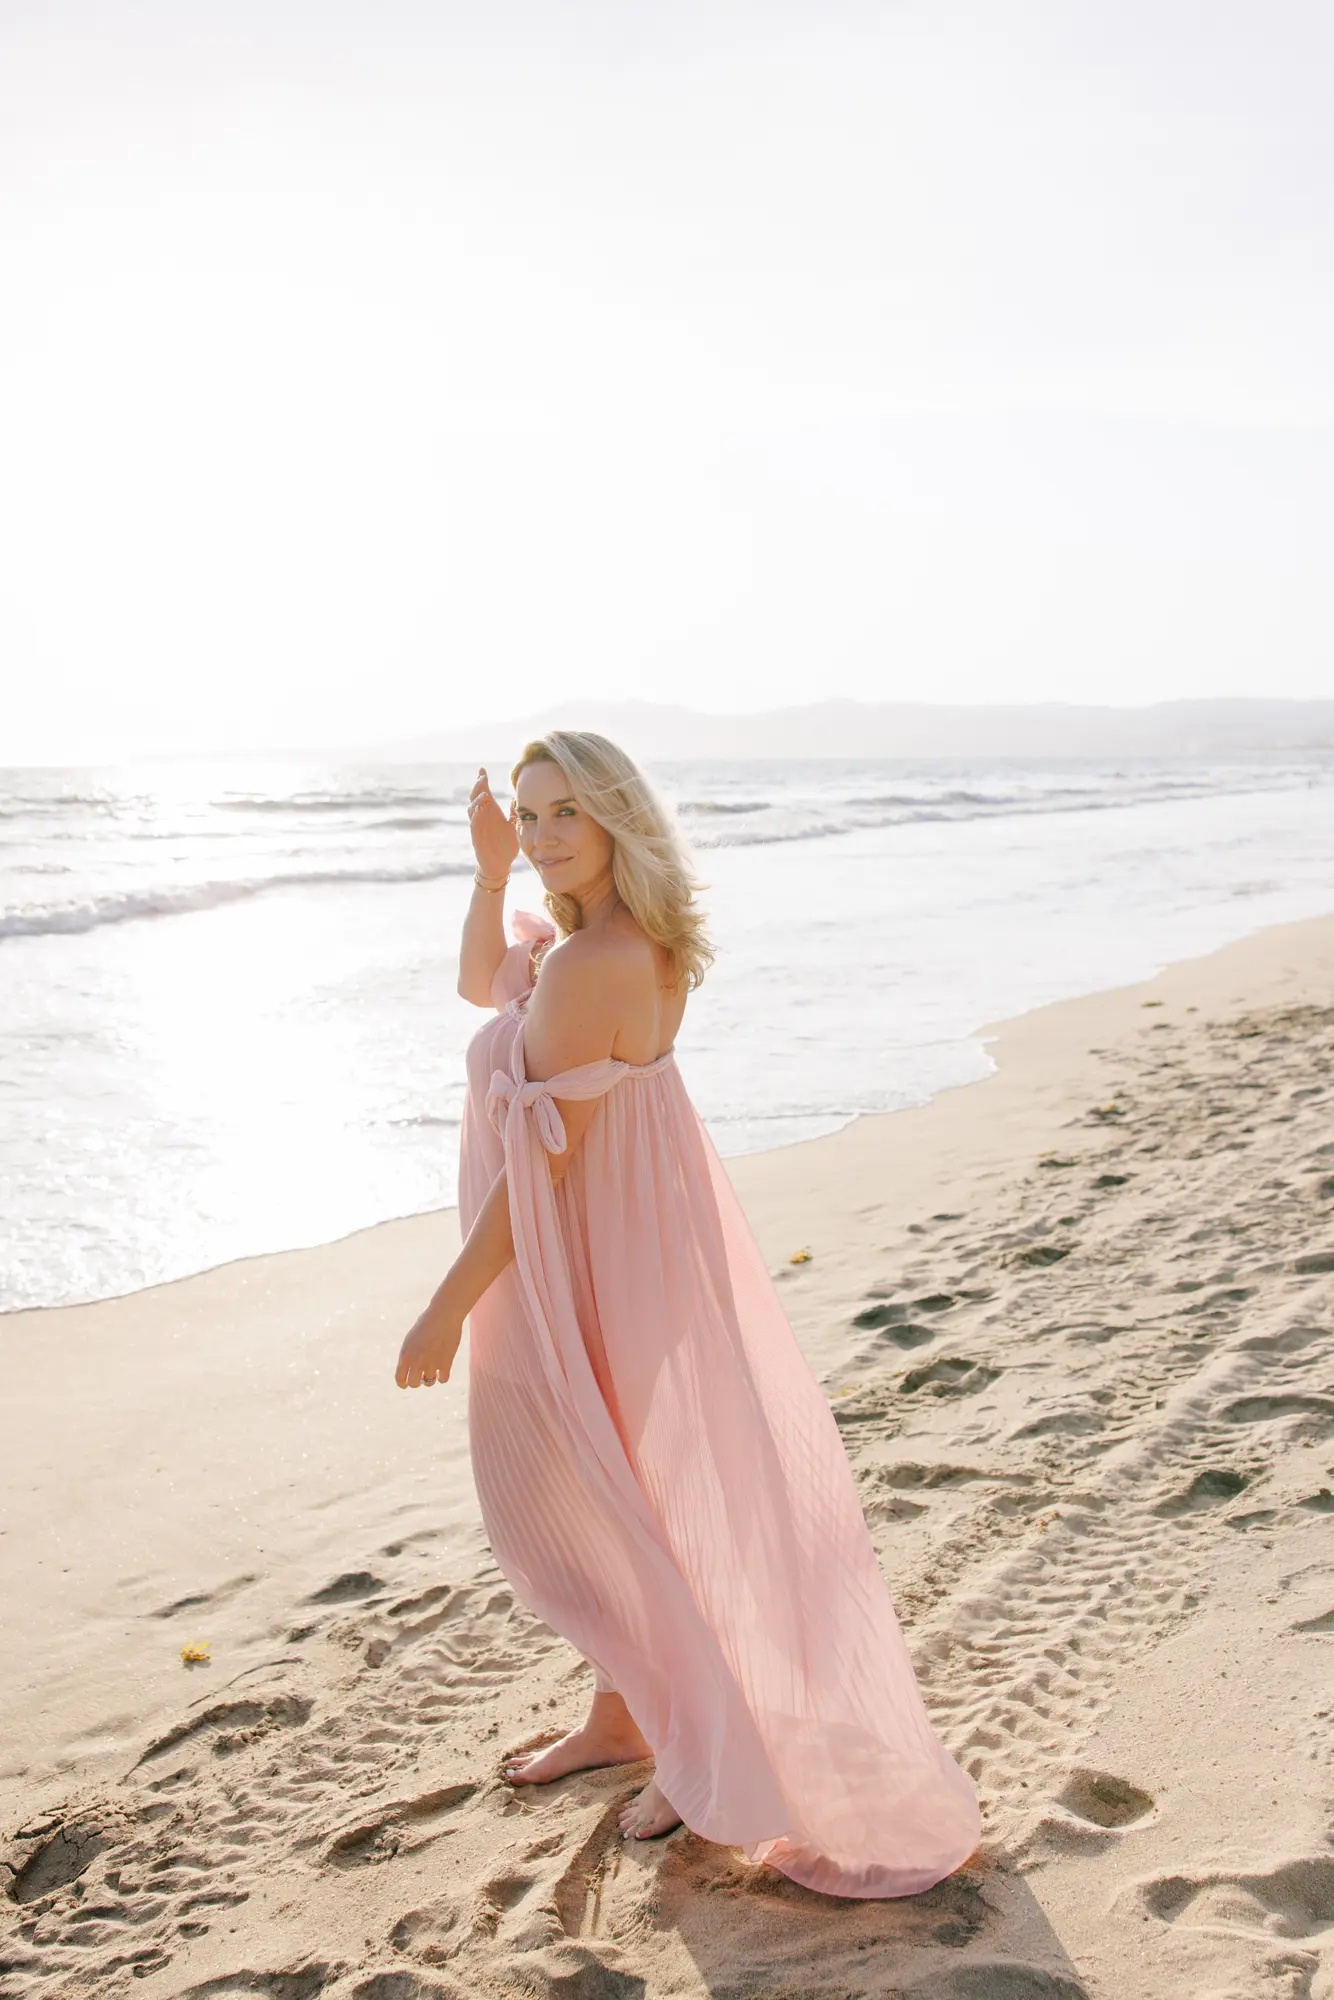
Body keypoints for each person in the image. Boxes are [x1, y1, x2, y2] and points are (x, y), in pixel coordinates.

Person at [395, 730, 980, 1896]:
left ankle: (699, 1746)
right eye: (528, 810)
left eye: (564, 810)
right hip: (619, 1246)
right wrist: (487, 870)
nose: (544, 829)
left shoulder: (593, 961)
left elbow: (543, 1169)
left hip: (580, 1259)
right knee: (618, 1485)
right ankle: (624, 1714)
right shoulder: (598, 941)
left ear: (615, 814)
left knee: (609, 1496)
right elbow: (476, 983)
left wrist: (442, 1308)